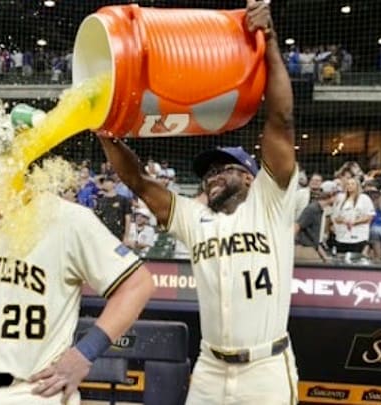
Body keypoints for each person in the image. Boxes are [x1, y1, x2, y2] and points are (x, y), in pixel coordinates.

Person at [98, 2, 299, 403]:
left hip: (266, 369)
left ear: (248, 175)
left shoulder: (270, 201)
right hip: (210, 367)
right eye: (207, 173)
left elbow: (281, 120)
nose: (212, 176)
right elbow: (137, 181)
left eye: (223, 169)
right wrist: (105, 131)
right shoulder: (194, 217)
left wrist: (270, 43)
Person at [0, 125, 155, 405]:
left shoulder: (65, 219)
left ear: (2, 168)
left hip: (33, 392)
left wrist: (84, 354)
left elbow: (137, 285)